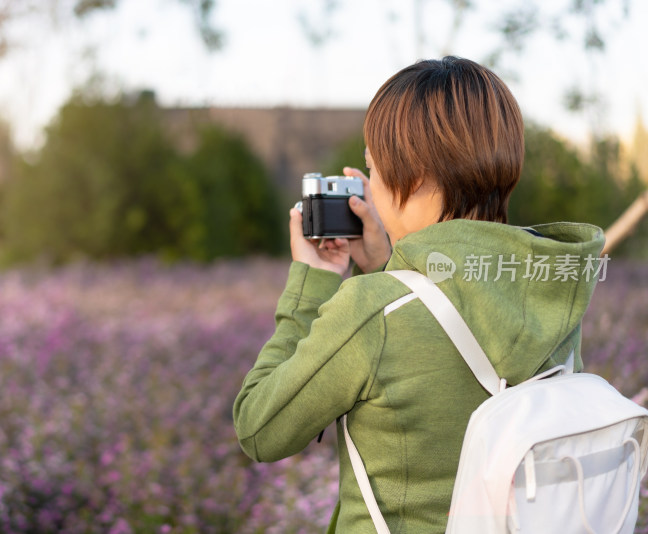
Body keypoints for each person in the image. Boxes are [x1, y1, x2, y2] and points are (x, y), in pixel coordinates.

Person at [233, 56, 605, 533]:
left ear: (413, 174)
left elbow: (259, 428)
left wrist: (312, 281)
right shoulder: (548, 285)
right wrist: (386, 267)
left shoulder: (372, 313)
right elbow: (451, 321)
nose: (374, 191)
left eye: (375, 168)